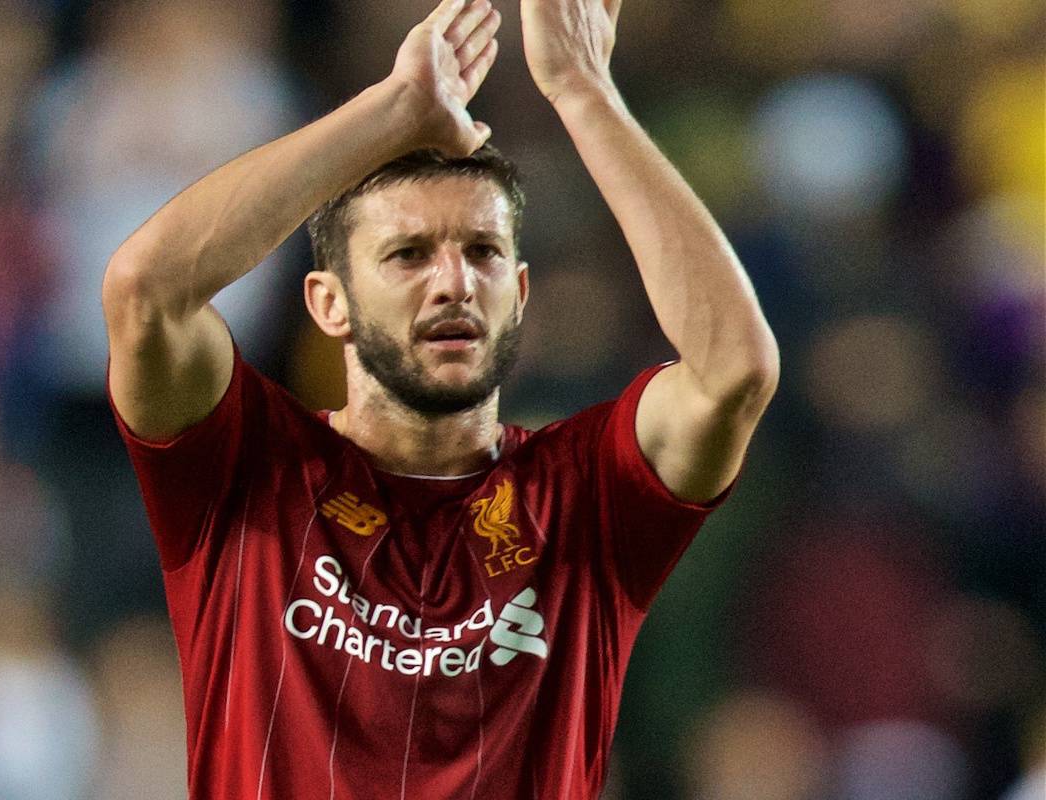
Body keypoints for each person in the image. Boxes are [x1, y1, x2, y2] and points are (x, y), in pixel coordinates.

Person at [102, 0, 779, 797]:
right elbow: (147, 290)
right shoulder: (247, 472)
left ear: (520, 293)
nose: (454, 282)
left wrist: (586, 93)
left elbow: (734, 368)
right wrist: (393, 112)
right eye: (408, 254)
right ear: (330, 304)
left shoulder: (586, 497)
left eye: (485, 253)